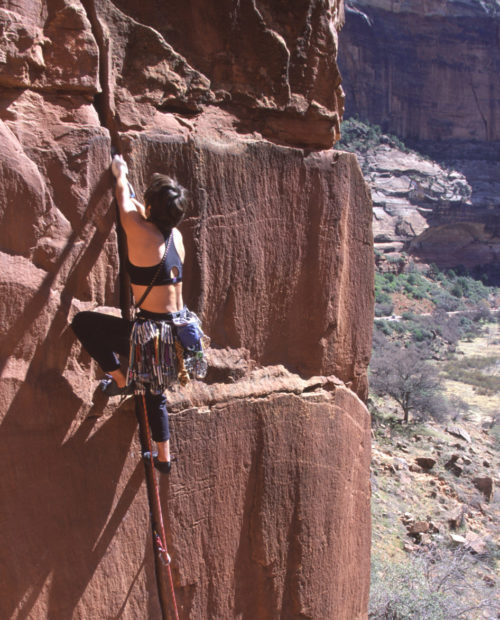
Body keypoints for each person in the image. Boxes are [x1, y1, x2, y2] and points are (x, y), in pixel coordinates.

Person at [71, 155, 189, 473]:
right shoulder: (174, 237)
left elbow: (125, 199)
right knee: (156, 393)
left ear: (151, 209)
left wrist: (120, 172)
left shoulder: (140, 233)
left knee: (82, 323)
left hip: (152, 336)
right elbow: (140, 210)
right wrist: (144, 204)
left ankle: (122, 378)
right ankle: (163, 459)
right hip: (177, 332)